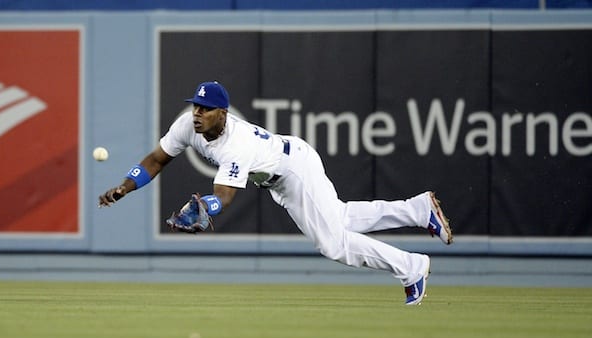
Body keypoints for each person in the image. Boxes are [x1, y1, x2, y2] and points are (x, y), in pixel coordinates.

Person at [99, 81, 453, 305]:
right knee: (339, 217)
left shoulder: (234, 146)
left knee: (333, 244)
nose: (197, 114)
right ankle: (418, 210)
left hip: (294, 168)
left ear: (222, 113)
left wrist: (204, 207)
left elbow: (223, 196)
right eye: (195, 106)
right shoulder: (186, 126)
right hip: (280, 173)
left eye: (205, 109)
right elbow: (157, 159)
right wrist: (124, 188)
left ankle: (411, 267)